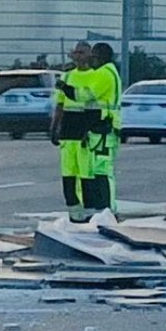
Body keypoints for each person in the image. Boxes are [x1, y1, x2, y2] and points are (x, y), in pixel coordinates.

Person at [79, 42, 123, 215]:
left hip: (104, 128)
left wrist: (66, 88)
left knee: (103, 171)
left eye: (94, 57)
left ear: (102, 57)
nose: (92, 60)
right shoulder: (109, 72)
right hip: (102, 127)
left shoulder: (104, 73)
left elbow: (86, 95)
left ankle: (107, 210)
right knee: (98, 170)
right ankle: (102, 209)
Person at [54, 41, 96, 223]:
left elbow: (94, 104)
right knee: (68, 174)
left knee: (86, 173)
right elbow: (60, 104)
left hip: (84, 128)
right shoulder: (67, 76)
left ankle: (89, 213)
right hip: (67, 130)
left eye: (82, 53)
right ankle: (73, 214)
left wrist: (89, 130)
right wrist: (55, 127)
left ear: (90, 55)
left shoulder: (96, 76)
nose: (78, 56)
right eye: (76, 53)